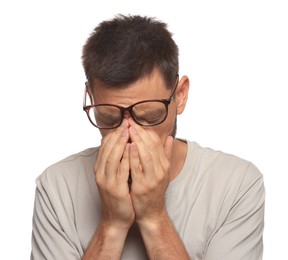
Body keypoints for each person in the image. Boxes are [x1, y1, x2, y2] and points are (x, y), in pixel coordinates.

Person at [30, 15, 265, 260]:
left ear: (181, 95)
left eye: (150, 117)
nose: (130, 135)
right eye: (110, 118)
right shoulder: (56, 187)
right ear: (91, 99)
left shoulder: (237, 184)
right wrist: (112, 225)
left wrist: (154, 216)